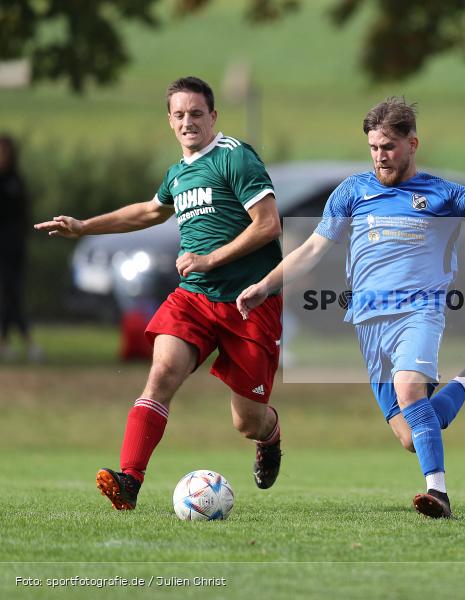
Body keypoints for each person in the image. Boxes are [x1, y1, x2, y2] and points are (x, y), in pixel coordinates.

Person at [237, 97, 465, 518]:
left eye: (388, 146)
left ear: (412, 144)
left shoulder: (441, 193)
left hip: (420, 312)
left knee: (410, 391)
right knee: (411, 435)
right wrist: (265, 285)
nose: (380, 156)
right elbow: (313, 249)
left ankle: (439, 494)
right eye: (373, 147)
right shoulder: (352, 192)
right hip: (369, 321)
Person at [35, 76, 285, 510]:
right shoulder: (178, 174)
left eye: (197, 113)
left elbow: (268, 225)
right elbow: (149, 211)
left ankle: (271, 435)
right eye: (180, 115)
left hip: (250, 302)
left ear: (213, 116)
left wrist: (211, 258)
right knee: (161, 374)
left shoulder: (235, 157)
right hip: (195, 298)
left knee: (247, 422)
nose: (188, 122)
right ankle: (129, 481)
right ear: (170, 120)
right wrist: (84, 226)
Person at [0, 134, 42, 362]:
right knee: (9, 294)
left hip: (13, 248)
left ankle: (9, 342)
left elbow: (23, 216)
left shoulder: (15, 181)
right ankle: (26, 341)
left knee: (11, 293)